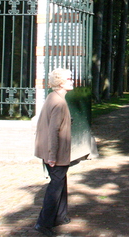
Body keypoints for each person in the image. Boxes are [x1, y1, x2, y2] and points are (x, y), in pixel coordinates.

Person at [34, 68, 73, 237]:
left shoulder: (52, 97)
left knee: (60, 181)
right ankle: (43, 222)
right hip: (56, 153)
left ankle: (60, 216)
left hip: (51, 150)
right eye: (69, 79)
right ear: (61, 82)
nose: (72, 81)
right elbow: (53, 130)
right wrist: (52, 156)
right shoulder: (59, 102)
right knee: (55, 186)